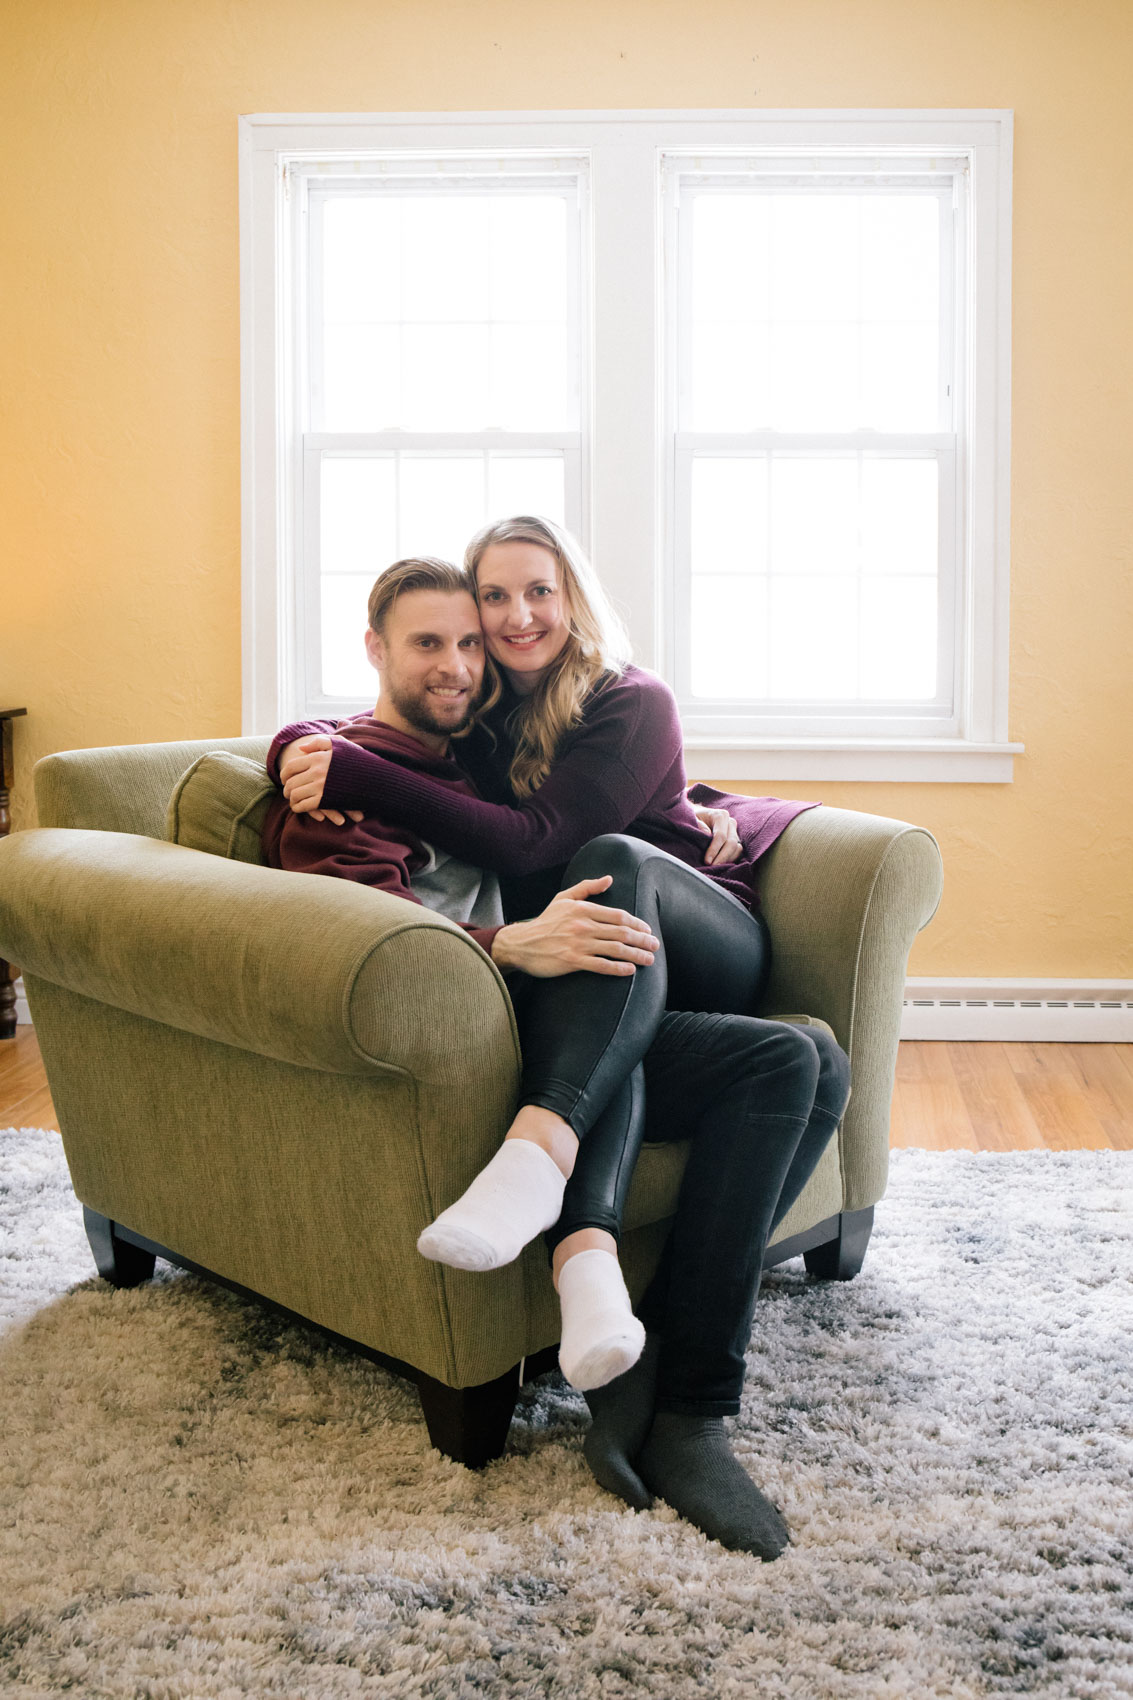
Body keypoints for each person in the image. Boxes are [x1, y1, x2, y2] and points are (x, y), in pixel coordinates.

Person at [270, 520, 851, 1560]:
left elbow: (544, 841)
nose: (510, 618)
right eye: (492, 599)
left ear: (572, 595)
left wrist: (350, 769)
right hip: (600, 976)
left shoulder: (631, 695)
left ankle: (541, 1165)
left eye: (535, 591)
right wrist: (298, 749)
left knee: (611, 864)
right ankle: (678, 1400)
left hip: (705, 934)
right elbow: (357, 728)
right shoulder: (481, 722)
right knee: (798, 1058)